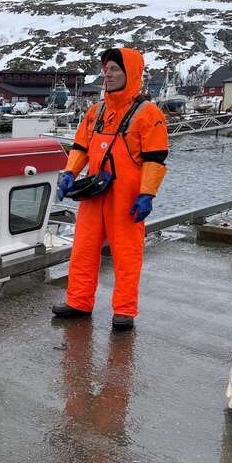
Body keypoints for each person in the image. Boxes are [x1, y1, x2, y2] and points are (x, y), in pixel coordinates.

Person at [52, 48, 168, 331]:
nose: (108, 74)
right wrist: (69, 173)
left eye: (115, 69)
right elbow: (80, 147)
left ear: (130, 73)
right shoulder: (96, 111)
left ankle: (124, 310)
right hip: (94, 193)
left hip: (126, 197)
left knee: (127, 255)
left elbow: (155, 159)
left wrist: (147, 194)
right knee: (83, 250)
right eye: (106, 70)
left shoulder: (148, 113)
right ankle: (79, 302)